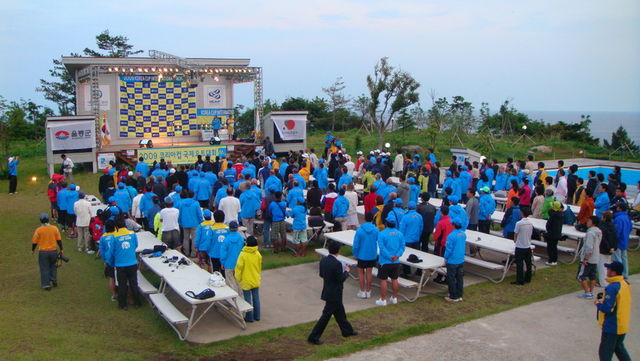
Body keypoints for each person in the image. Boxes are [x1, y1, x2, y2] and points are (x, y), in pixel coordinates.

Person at [308, 241, 357, 345]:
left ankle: (347, 331)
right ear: (338, 251)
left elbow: (322, 274)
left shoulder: (324, 260)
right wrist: (347, 271)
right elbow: (341, 279)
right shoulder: (337, 264)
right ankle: (313, 336)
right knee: (326, 316)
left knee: (340, 313)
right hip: (335, 292)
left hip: (328, 290)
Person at [595, 261, 632, 361]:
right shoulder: (625, 284)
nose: (607, 270)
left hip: (612, 326)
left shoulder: (612, 287)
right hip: (622, 324)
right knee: (619, 348)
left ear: (613, 272)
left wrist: (598, 303)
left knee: (605, 353)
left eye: (609, 269)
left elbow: (607, 308)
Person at [104, 220, 141, 310]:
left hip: (120, 264)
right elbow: (136, 245)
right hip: (132, 262)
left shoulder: (114, 236)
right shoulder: (132, 234)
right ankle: (137, 302)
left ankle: (122, 304)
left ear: (116, 227)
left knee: (122, 285)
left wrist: (108, 261)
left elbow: (111, 251)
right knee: (134, 283)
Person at [375, 213, 405, 306]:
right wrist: (397, 256)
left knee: (383, 280)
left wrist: (389, 256)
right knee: (394, 279)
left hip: (385, 261)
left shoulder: (382, 234)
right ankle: (394, 297)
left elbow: (382, 248)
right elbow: (402, 246)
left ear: (386, 223)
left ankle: (383, 299)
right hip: (395, 261)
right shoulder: (400, 234)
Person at [31, 213, 64, 290]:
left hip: (43, 252)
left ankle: (46, 284)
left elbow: (34, 242)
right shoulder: (54, 228)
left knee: (44, 267)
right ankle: (53, 279)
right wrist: (61, 249)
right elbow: (59, 240)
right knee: (53, 266)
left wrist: (33, 250)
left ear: (40, 220)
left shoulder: (38, 230)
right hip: (53, 251)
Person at [235, 236, 262, 323]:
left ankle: (249, 317)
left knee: (247, 299)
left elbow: (239, 268)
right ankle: (257, 316)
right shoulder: (257, 254)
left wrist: (238, 278)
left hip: (246, 280)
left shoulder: (243, 254)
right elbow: (259, 266)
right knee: (256, 298)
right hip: (255, 279)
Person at [352, 212, 378, 299]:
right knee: (369, 273)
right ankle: (368, 291)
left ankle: (362, 291)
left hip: (362, 254)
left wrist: (355, 253)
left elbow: (356, 244)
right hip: (372, 254)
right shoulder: (376, 230)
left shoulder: (359, 230)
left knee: (360, 273)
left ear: (364, 218)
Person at [577, 216, 602, 299]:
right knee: (592, 275)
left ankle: (587, 292)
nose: (587, 222)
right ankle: (591, 291)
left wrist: (585, 258)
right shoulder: (599, 232)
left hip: (589, 258)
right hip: (595, 257)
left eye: (589, 221)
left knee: (581, 276)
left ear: (593, 223)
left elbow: (589, 247)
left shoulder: (590, 233)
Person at [220, 221, 246, 294]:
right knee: (238, 280)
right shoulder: (241, 238)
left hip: (228, 264)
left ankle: (233, 296)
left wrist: (222, 262)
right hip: (239, 262)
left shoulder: (226, 240)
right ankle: (241, 294)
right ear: (237, 228)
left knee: (230, 281)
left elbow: (223, 252)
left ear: (229, 229)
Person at [444, 219, 466, 302]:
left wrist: (446, 258)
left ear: (453, 225)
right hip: (460, 259)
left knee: (451, 278)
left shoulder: (451, 236)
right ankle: (459, 294)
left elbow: (449, 249)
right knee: (460, 278)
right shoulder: (463, 234)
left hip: (452, 260)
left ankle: (453, 296)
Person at [400, 201, 423, 277]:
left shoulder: (405, 217)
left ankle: (406, 272)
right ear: (415, 207)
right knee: (416, 254)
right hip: (416, 238)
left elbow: (402, 229)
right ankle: (419, 270)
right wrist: (418, 236)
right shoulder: (419, 216)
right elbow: (421, 227)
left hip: (407, 239)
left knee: (405, 255)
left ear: (408, 207)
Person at [512, 208, 533, 285]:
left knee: (520, 264)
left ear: (522, 213)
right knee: (528, 263)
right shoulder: (530, 223)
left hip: (520, 246)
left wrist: (515, 240)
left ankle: (520, 280)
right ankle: (528, 278)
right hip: (527, 245)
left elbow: (516, 234)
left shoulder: (519, 223)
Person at [612, 203, 631, 279]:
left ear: (619, 208)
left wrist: (614, 240)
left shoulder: (618, 219)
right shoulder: (627, 217)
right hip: (625, 239)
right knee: (624, 257)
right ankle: (625, 273)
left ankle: (620, 273)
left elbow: (617, 231)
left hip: (619, 241)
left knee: (617, 258)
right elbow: (630, 228)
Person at [544, 201, 564, 266]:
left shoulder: (553, 215)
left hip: (551, 234)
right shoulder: (561, 215)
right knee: (554, 247)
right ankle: (554, 260)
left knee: (550, 247)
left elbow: (548, 225)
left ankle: (551, 260)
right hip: (557, 233)